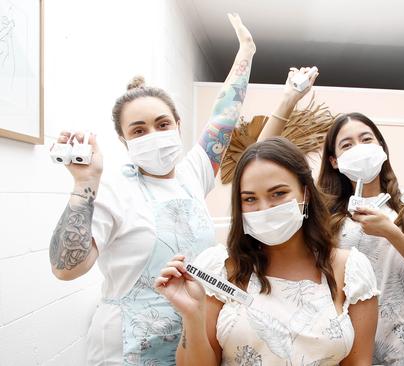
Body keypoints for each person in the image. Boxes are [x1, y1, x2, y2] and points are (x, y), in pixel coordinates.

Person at [48, 13, 256, 366]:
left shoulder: (193, 172)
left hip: (195, 340)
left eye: (162, 124)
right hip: (127, 345)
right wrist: (84, 185)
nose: (154, 135)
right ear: (123, 139)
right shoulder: (113, 190)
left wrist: (246, 53)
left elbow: (225, 115)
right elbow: (65, 268)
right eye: (139, 130)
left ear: (178, 125)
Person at [155, 137, 380, 365]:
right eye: (250, 198)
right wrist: (192, 317)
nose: (264, 208)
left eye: (278, 193)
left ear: (306, 193)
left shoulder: (350, 270)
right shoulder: (219, 268)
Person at [317, 113, 404, 365]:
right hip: (346, 343)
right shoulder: (324, 213)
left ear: (381, 147)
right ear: (334, 161)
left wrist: (391, 232)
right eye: (347, 144)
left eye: (366, 139)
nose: (359, 148)